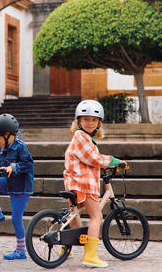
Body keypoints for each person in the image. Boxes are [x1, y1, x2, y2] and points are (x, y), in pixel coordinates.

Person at [63, 100, 127, 268]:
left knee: (74, 214)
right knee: (96, 216)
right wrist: (114, 161)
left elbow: (88, 159)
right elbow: (93, 158)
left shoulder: (84, 138)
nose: (90, 123)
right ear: (78, 121)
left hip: (75, 183)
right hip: (82, 183)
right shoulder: (81, 136)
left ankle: (65, 246)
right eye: (86, 119)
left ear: (99, 123)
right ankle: (90, 256)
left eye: (94, 120)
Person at [0, 113, 34, 260]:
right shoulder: (5, 149)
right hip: (10, 184)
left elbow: (28, 164)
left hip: (21, 189)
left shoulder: (20, 147)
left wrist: (13, 166)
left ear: (7, 135)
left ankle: (21, 251)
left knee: (16, 219)